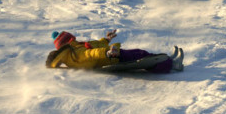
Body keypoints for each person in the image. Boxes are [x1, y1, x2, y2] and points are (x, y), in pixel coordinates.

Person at [46, 30, 184, 73]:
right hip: (110, 57)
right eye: (69, 39)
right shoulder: (75, 54)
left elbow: (93, 46)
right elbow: (90, 54)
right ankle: (172, 65)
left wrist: (106, 40)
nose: (72, 40)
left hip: (110, 54)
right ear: (64, 44)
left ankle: (168, 59)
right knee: (140, 55)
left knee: (139, 52)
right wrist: (106, 53)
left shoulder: (75, 47)